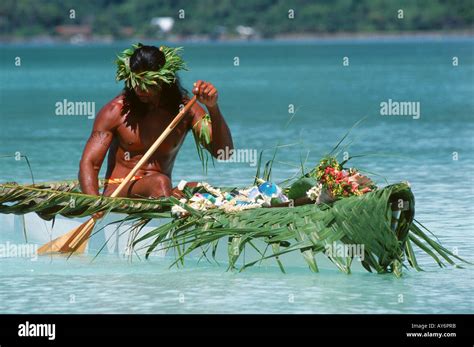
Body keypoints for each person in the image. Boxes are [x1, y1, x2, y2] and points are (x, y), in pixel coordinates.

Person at [78, 44, 233, 198]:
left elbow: (223, 153)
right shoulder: (115, 111)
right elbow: (90, 163)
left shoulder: (185, 110)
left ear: (164, 80)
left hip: (160, 191)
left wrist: (212, 108)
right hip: (119, 190)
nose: (140, 90)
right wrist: (96, 204)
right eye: (135, 82)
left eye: (147, 83)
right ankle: (168, 201)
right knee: (160, 182)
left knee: (200, 188)